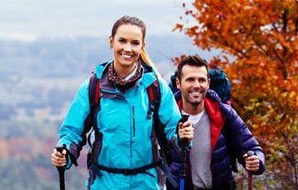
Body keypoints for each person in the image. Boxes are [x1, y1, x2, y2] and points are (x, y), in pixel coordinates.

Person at [51, 15, 194, 190]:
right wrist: (64, 151)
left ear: (142, 46)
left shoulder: (156, 87)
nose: (128, 48)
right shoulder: (92, 88)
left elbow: (173, 129)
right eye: (122, 41)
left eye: (135, 43)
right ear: (111, 42)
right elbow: (72, 133)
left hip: (147, 183)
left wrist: (182, 137)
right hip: (104, 183)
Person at [167, 55, 265, 190]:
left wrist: (256, 161)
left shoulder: (224, 113)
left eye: (201, 80)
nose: (196, 85)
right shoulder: (167, 117)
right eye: (190, 80)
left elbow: (251, 148)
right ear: (178, 83)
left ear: (208, 83)